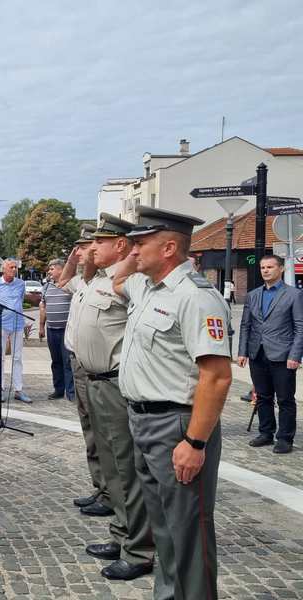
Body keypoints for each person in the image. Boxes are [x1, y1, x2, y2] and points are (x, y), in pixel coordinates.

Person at [113, 206, 232, 600]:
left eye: (140, 242)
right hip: (143, 422)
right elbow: (117, 281)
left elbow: (216, 376)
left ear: (168, 247)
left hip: (176, 426)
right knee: (163, 530)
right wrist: (134, 254)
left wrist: (195, 443)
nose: (132, 249)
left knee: (188, 535)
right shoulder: (145, 287)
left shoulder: (196, 297)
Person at [67, 213, 154, 582]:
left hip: (116, 383)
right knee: (112, 467)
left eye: (99, 243)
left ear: (121, 245)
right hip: (96, 382)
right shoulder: (99, 279)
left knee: (125, 470)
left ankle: (140, 549)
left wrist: (132, 255)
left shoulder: (128, 281)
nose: (90, 249)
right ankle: (121, 536)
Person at [58, 225, 113, 514]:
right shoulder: (82, 282)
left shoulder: (109, 282)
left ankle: (110, 492)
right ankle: (100, 487)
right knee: (90, 430)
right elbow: (63, 279)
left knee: (102, 432)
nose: (80, 252)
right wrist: (72, 257)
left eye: (85, 247)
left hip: (99, 369)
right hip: (78, 363)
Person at [238, 254, 303, 454]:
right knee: (263, 396)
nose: (265, 270)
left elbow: (300, 327)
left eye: (270, 267)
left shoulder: (293, 294)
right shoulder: (253, 294)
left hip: (282, 355)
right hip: (257, 353)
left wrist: (295, 355)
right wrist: (242, 352)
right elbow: (245, 325)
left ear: (281, 269)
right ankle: (266, 433)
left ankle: (284, 438)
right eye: (263, 267)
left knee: (285, 399)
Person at [0, 259, 29, 403]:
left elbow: (21, 299)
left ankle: (18, 390)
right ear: (4, 269)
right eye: (11, 267)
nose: (14, 269)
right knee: (0, 358)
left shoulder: (20, 284)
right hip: (1, 324)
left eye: (15, 267)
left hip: (17, 324)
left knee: (17, 358)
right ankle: (0, 388)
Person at [40, 258, 74, 401]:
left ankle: (71, 392)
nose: (49, 271)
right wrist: (41, 326)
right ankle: (58, 390)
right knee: (56, 361)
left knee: (68, 361)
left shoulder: (70, 285)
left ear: (61, 269)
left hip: (66, 330)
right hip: (51, 330)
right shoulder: (47, 287)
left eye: (52, 268)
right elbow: (43, 307)